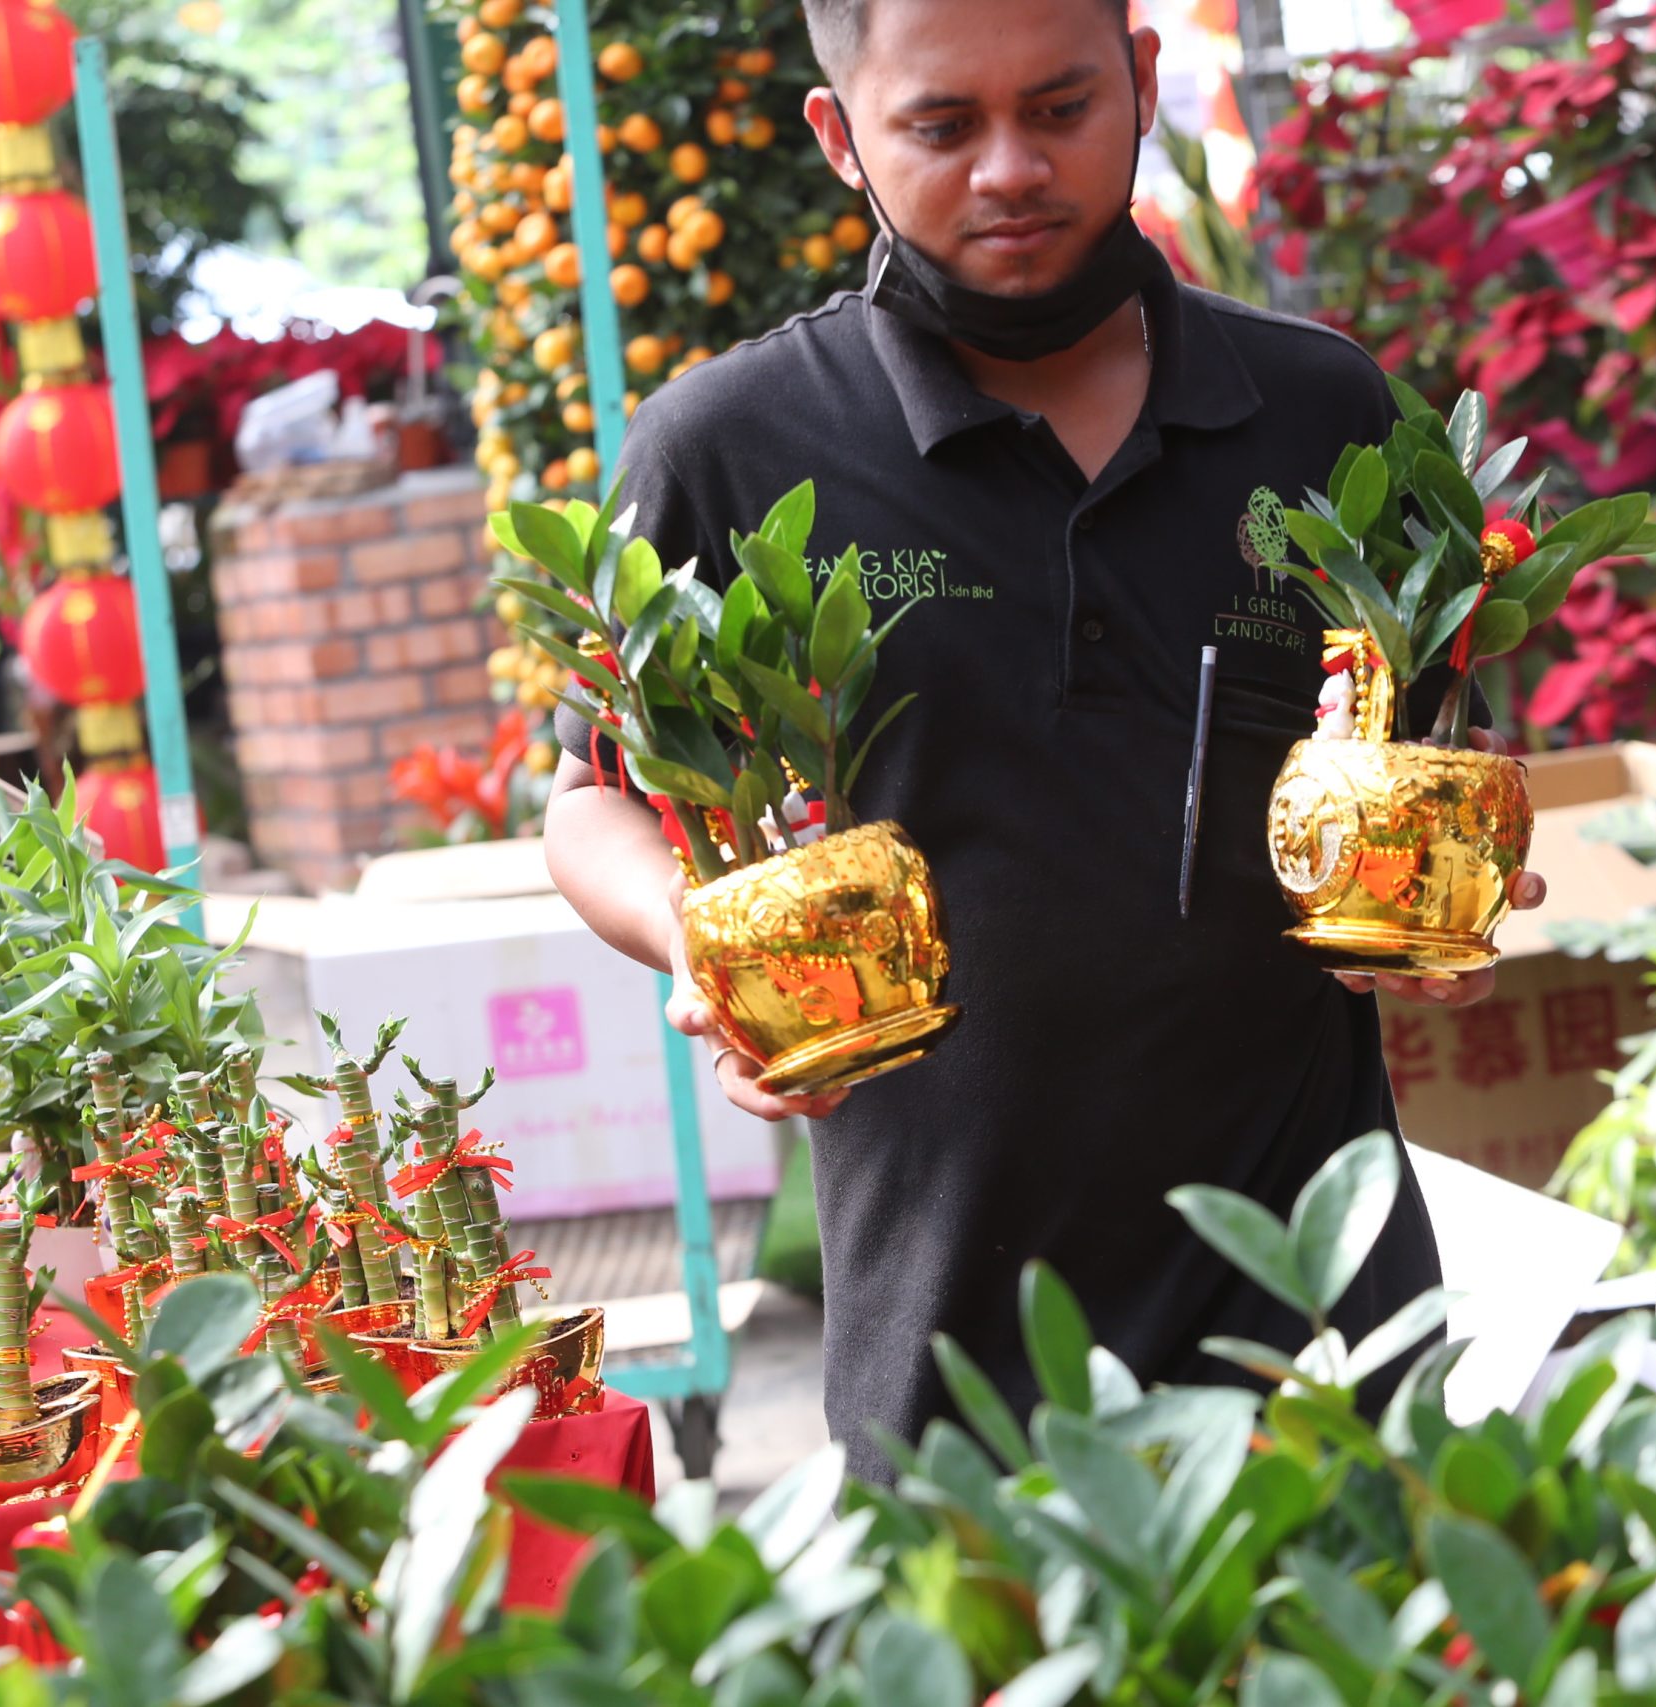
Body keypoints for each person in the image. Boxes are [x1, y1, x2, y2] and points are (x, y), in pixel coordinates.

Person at [541, 0, 1546, 1481]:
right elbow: (586, 800)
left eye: (1061, 108)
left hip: (1324, 1315)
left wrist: (1464, 872)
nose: (1010, 167)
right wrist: (697, 939)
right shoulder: (731, 450)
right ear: (841, 138)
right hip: (949, 1340)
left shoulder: (1322, 412)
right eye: (942, 127)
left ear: (1139, 83)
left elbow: (1442, 729)